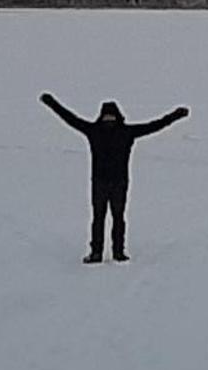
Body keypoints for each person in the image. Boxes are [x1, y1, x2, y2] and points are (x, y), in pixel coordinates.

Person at [40, 93, 189, 264]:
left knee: (99, 217)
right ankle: (118, 253)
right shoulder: (127, 132)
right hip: (119, 182)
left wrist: (50, 102)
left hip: (100, 183)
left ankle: (97, 253)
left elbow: (69, 118)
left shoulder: (93, 131)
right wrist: (176, 115)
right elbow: (156, 126)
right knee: (118, 217)